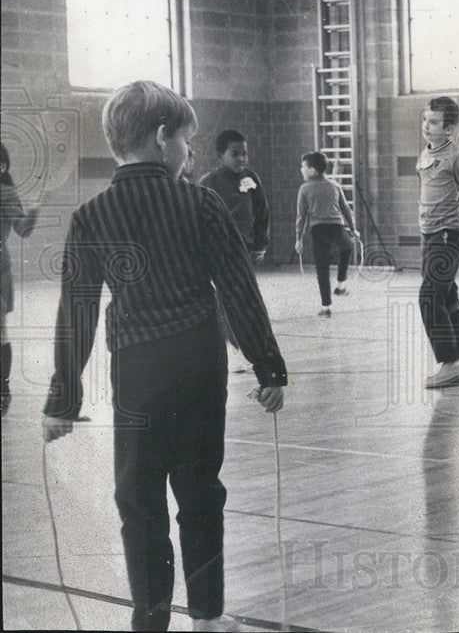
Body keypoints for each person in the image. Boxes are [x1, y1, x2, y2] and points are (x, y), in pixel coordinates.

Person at [42, 81, 287, 632]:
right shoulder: (201, 202)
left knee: (139, 500)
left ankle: (149, 621)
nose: (191, 153)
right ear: (161, 138)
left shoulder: (91, 215)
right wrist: (268, 366)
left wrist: (63, 399)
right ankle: (206, 616)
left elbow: (76, 312)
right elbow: (239, 291)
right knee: (201, 492)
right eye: (186, 140)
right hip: (199, 366)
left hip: (137, 373)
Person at [416, 96, 459, 389]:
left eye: (433, 122)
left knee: (429, 296)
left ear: (450, 128)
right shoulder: (425, 154)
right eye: (425, 120)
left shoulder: (458, 156)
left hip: (447, 235)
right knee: (445, 295)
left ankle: (450, 361)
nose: (426, 126)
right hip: (429, 236)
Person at [200, 130, 270, 362]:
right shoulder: (208, 183)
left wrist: (261, 244)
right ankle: (233, 346)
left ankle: (242, 345)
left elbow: (262, 213)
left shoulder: (251, 179)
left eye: (245, 154)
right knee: (227, 298)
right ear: (220, 155)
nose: (242, 159)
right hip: (219, 252)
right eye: (235, 154)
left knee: (242, 298)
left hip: (246, 250)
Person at [1, 142, 41, 417]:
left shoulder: (5, 193)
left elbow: (23, 229)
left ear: (3, 166)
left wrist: (36, 207)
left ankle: (3, 390)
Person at [295, 151, 358, 315]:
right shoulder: (324, 187)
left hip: (328, 228)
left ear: (312, 170)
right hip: (327, 228)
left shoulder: (323, 187)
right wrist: (352, 229)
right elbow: (347, 211)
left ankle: (332, 298)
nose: (301, 170)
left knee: (324, 267)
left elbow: (301, 217)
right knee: (346, 249)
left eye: (303, 167)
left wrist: (298, 239)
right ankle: (334, 294)